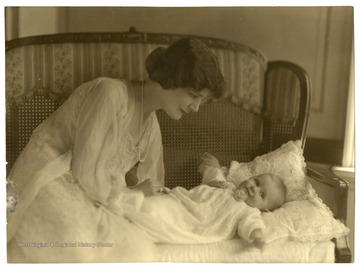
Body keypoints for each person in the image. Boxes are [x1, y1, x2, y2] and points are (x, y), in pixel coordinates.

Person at [6, 38, 225, 262]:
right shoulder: (110, 93)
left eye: (202, 100)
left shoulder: (151, 128)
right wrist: (133, 194)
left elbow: (152, 188)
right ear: (173, 77)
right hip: (52, 177)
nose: (196, 108)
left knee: (139, 248)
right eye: (194, 95)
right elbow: (86, 172)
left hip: (96, 194)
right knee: (76, 243)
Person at [123, 153, 287, 249]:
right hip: (180, 201)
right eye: (257, 182)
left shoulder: (247, 211)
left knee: (155, 209)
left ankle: (127, 212)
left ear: (264, 210)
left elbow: (252, 224)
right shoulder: (227, 186)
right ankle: (126, 208)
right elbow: (214, 178)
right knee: (159, 203)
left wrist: (257, 236)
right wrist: (211, 166)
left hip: (192, 220)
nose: (254, 188)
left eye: (262, 194)